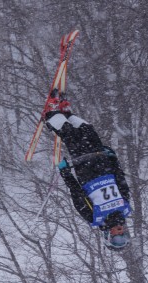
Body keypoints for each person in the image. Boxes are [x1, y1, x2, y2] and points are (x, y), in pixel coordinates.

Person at [43, 93, 132, 250]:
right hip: (103, 163)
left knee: (72, 135)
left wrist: (65, 172)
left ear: (108, 236)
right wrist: (113, 160)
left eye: (116, 238)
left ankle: (51, 114)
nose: (120, 232)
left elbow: (77, 193)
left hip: (86, 169)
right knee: (89, 132)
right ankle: (66, 114)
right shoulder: (124, 208)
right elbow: (121, 181)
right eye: (123, 236)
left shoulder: (95, 217)